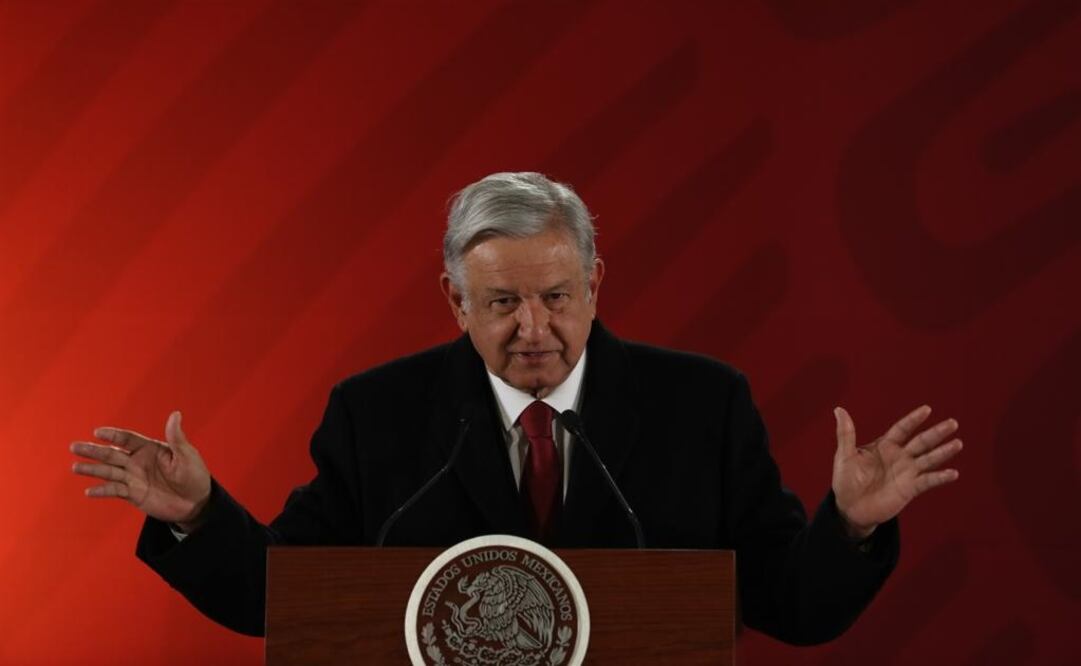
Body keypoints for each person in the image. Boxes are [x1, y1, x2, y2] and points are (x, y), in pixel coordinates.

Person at [70, 172, 962, 643]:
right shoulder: (376, 413)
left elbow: (789, 607)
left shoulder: (702, 404)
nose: (533, 329)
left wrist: (848, 525)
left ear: (595, 285)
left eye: (557, 297)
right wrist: (196, 515)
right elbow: (285, 600)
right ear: (456, 302)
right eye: (500, 304)